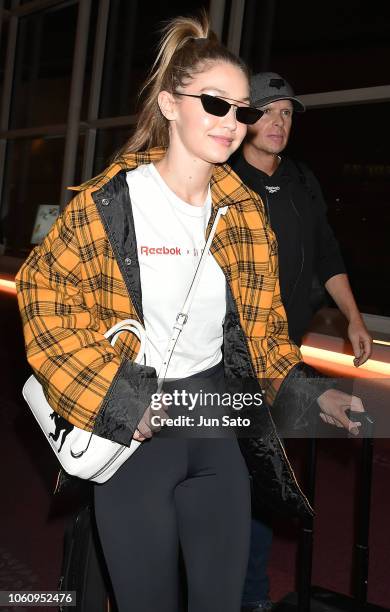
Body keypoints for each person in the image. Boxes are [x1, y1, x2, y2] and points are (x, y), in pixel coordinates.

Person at [15, 18, 364, 612]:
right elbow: (44, 301)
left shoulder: (245, 213)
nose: (232, 123)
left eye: (242, 111)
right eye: (215, 105)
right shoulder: (111, 204)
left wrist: (311, 395)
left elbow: (264, 333)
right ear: (169, 104)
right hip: (136, 435)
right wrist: (120, 397)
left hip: (215, 424)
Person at [230, 72, 372, 612]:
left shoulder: (301, 180)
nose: (278, 122)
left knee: (264, 481)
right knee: (224, 480)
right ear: (244, 117)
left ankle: (250, 597)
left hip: (282, 358)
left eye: (287, 113)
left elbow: (328, 253)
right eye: (267, 110)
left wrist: (353, 318)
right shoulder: (224, 180)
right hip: (226, 359)